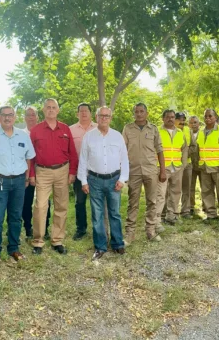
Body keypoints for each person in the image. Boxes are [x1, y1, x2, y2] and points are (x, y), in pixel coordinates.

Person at [0, 106, 35, 264]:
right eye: (4, 115)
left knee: (15, 217)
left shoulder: (23, 135)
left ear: (15, 117)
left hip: (18, 181)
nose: (7, 118)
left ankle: (14, 248)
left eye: (10, 115)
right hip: (0, 181)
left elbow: (29, 157)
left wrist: (26, 177)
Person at [78, 107, 128, 260]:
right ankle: (100, 246)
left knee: (115, 213)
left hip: (114, 180)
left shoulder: (117, 136)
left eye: (107, 116)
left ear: (111, 118)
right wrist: (84, 181)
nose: (104, 118)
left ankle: (117, 244)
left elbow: (124, 160)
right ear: (96, 117)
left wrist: (122, 179)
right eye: (101, 115)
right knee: (97, 214)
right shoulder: (89, 137)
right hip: (95, 180)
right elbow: (83, 160)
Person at [29, 99, 78, 255]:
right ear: (43, 110)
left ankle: (57, 240)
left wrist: (72, 172)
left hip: (62, 171)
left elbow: (72, 153)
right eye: (48, 107)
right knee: (40, 206)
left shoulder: (65, 129)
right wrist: (31, 174)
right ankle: (38, 241)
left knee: (61, 206)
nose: (51, 110)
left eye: (53, 107)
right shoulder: (35, 130)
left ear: (58, 111)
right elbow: (30, 156)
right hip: (42, 171)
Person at [123, 103, 166, 243]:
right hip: (133, 170)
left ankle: (151, 231)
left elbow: (160, 150)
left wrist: (163, 170)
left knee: (152, 202)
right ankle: (130, 233)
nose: (139, 114)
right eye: (137, 112)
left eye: (142, 111)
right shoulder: (128, 128)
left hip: (151, 171)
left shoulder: (153, 129)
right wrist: (122, 171)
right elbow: (122, 150)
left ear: (147, 113)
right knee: (132, 202)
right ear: (134, 113)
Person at [21, 106, 51, 239]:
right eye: (28, 115)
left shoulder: (43, 132)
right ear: (24, 117)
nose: (31, 117)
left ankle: (45, 228)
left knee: (44, 202)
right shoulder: (20, 134)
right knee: (26, 202)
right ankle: (28, 227)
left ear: (38, 117)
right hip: (25, 173)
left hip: (42, 171)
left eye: (33, 115)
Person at [155, 110, 188, 230]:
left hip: (177, 167)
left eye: (173, 117)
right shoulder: (157, 131)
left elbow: (184, 149)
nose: (170, 119)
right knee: (160, 194)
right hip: (162, 167)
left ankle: (172, 216)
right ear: (163, 119)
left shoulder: (180, 132)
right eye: (168, 117)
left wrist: (183, 165)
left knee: (175, 192)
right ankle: (157, 220)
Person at [69, 102, 97, 240]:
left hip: (97, 172)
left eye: (86, 111)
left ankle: (98, 228)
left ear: (91, 114)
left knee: (97, 202)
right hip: (79, 172)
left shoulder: (99, 128)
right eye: (81, 111)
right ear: (77, 114)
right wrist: (71, 172)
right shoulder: (71, 130)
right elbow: (68, 152)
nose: (84, 113)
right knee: (79, 202)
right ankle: (81, 229)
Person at [196, 109, 219, 221]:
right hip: (204, 166)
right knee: (206, 191)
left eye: (210, 116)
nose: (207, 118)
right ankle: (211, 214)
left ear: (216, 117)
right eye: (205, 116)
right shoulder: (201, 131)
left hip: (217, 167)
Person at [176, 112, 193, 218]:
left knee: (187, 188)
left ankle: (185, 211)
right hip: (174, 164)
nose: (182, 121)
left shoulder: (188, 130)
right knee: (173, 189)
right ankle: (171, 211)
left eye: (183, 119)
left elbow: (193, 145)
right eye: (179, 119)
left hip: (187, 163)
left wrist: (187, 155)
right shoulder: (171, 130)